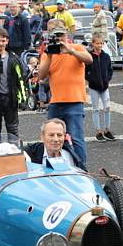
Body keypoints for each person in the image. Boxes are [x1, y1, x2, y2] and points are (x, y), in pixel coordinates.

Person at [37, 19, 92, 167]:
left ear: (66, 34)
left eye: (61, 35)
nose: (59, 39)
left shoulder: (76, 47)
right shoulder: (48, 53)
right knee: (51, 138)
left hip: (74, 101)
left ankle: (81, 169)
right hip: (56, 102)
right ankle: (52, 166)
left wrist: (71, 51)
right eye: (55, 35)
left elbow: (89, 60)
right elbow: (41, 76)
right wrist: (49, 55)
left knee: (76, 138)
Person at [85, 33, 114, 141]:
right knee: (95, 109)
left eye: (101, 43)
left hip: (104, 85)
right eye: (97, 43)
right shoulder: (89, 56)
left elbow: (110, 69)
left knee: (107, 107)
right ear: (93, 44)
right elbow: (85, 71)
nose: (99, 45)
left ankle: (107, 129)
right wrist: (90, 78)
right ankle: (98, 131)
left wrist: (108, 78)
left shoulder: (105, 56)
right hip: (94, 86)